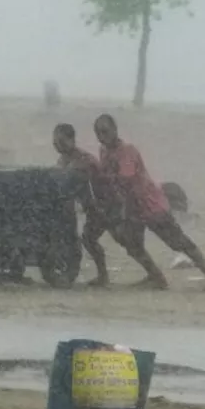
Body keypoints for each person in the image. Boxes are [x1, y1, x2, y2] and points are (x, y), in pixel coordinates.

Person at [93, 114, 205, 290]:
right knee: (132, 245)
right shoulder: (104, 151)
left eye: (105, 132)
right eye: (98, 133)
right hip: (131, 207)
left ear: (115, 130)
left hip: (149, 204)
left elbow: (125, 178)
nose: (102, 137)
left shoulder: (127, 151)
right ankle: (156, 277)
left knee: (178, 242)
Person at [52, 123, 118, 287]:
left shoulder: (84, 161)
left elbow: (83, 185)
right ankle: (102, 276)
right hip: (90, 206)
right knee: (88, 239)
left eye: (61, 142)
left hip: (104, 204)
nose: (58, 147)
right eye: (55, 143)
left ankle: (103, 276)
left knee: (90, 239)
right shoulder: (63, 160)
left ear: (72, 140)